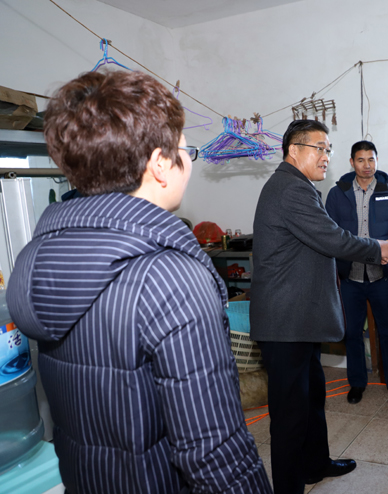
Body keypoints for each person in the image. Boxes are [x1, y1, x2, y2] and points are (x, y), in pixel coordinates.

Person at [7, 71, 271, 493]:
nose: (189, 163)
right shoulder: (170, 276)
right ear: (160, 164)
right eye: (186, 150)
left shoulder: (35, 259)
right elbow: (212, 448)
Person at [250, 120, 388, 494]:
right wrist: (376, 248)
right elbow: (333, 239)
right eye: (320, 148)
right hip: (285, 323)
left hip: (300, 318)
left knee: (313, 397)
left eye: (329, 149)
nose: (326, 156)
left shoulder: (298, 186)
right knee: (290, 416)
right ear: (294, 150)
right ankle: (288, 487)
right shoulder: (290, 189)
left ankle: (315, 463)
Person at [325, 140, 388, 404]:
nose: (366, 165)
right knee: (352, 332)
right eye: (361, 160)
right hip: (350, 277)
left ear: (377, 161)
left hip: (382, 276)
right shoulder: (337, 194)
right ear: (352, 162)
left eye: (371, 159)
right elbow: (329, 235)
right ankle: (357, 383)